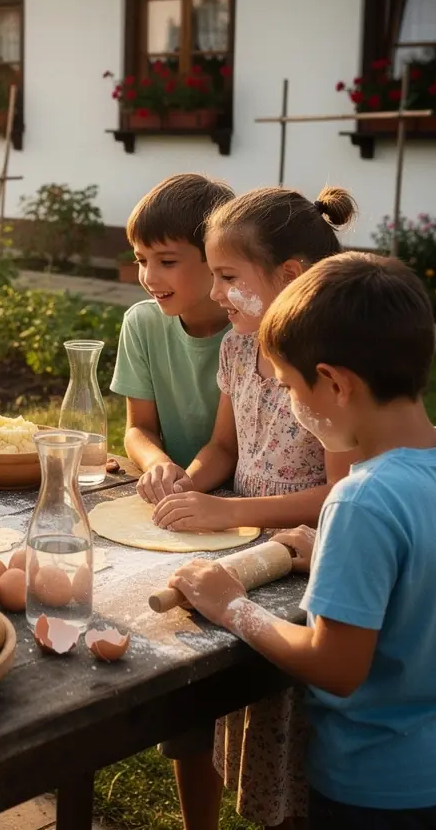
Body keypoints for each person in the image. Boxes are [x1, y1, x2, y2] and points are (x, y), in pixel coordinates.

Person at [169, 252, 436, 830]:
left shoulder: (359, 500)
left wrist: (229, 605)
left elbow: (335, 666)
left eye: (291, 386)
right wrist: (333, 557)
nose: (292, 402)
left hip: (379, 789)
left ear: (336, 384)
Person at [144, 185, 361, 829]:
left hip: (303, 571)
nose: (215, 295)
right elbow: (221, 446)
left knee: (292, 751)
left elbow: (338, 497)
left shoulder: (330, 371)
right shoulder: (240, 349)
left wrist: (225, 514)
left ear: (289, 276)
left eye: (228, 277)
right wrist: (192, 481)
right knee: (221, 708)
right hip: (245, 556)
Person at [109, 172, 233, 830]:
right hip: (175, 509)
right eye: (139, 259)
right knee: (185, 669)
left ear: (215, 262)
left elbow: (231, 448)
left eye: (165, 261)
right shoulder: (143, 324)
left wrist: (191, 482)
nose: (147, 276)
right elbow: (136, 427)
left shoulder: (248, 328)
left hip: (239, 505)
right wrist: (156, 464)